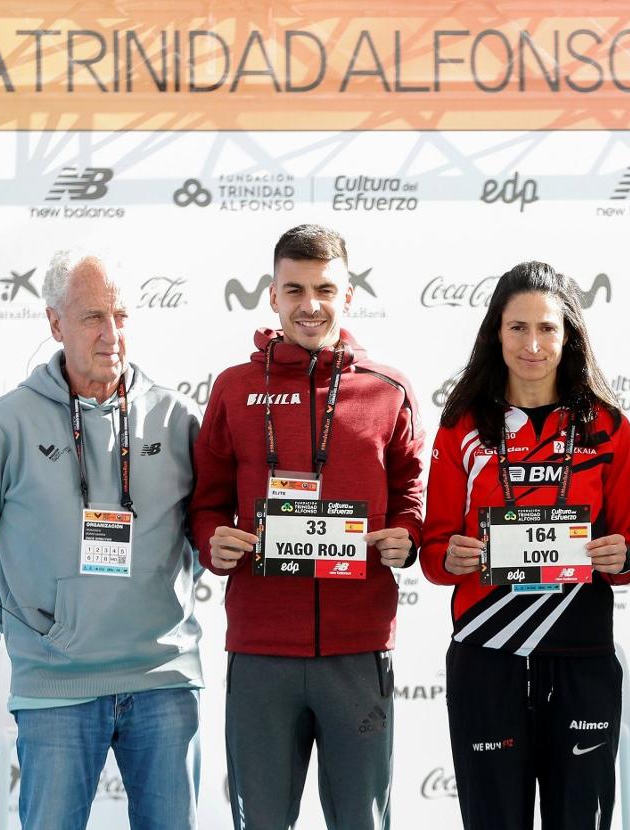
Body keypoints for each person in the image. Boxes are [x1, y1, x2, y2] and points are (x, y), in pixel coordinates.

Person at [0, 250, 203, 830]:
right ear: (55, 323)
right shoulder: (8, 423)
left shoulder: (176, 418)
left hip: (163, 680)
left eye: (121, 316)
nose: (112, 334)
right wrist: (31, 622)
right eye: (92, 317)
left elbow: (204, 529)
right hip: (56, 686)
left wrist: (157, 594)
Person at [189, 224, 423, 830]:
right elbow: (205, 501)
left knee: (362, 821)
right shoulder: (235, 389)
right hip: (262, 649)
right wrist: (212, 542)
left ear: (349, 294)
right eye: (295, 289)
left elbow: (411, 493)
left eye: (325, 288)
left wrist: (407, 533)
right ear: (272, 295)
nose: (310, 304)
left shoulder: (388, 390)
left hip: (358, 645)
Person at [420, 261, 630, 830]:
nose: (533, 344)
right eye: (518, 328)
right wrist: (448, 555)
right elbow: (434, 546)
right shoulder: (462, 424)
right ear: (497, 331)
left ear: (570, 335)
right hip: (486, 647)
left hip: (580, 650)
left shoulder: (609, 425)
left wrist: (622, 556)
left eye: (547, 328)